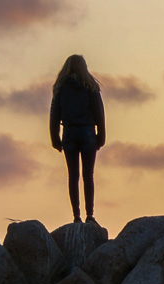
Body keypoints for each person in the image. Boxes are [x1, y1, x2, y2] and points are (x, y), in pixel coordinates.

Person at [49, 54, 106, 224]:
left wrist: (55, 138)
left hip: (69, 133)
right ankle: (90, 215)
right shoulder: (91, 86)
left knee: (73, 176)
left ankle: (76, 216)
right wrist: (101, 136)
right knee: (88, 175)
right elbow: (99, 114)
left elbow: (54, 116)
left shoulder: (60, 88)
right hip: (88, 132)